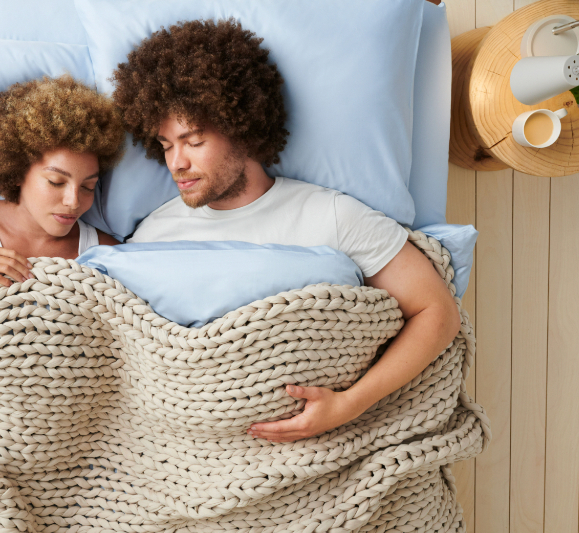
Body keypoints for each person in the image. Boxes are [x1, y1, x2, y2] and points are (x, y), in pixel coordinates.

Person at [112, 19, 461, 442]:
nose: (176, 163)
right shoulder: (151, 236)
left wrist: (347, 405)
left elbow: (437, 313)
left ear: (240, 123)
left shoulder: (331, 215)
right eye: (166, 145)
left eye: (194, 140)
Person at [0, 75, 124, 286]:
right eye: (56, 181)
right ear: (18, 172)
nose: (73, 202)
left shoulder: (105, 253)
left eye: (87, 187)